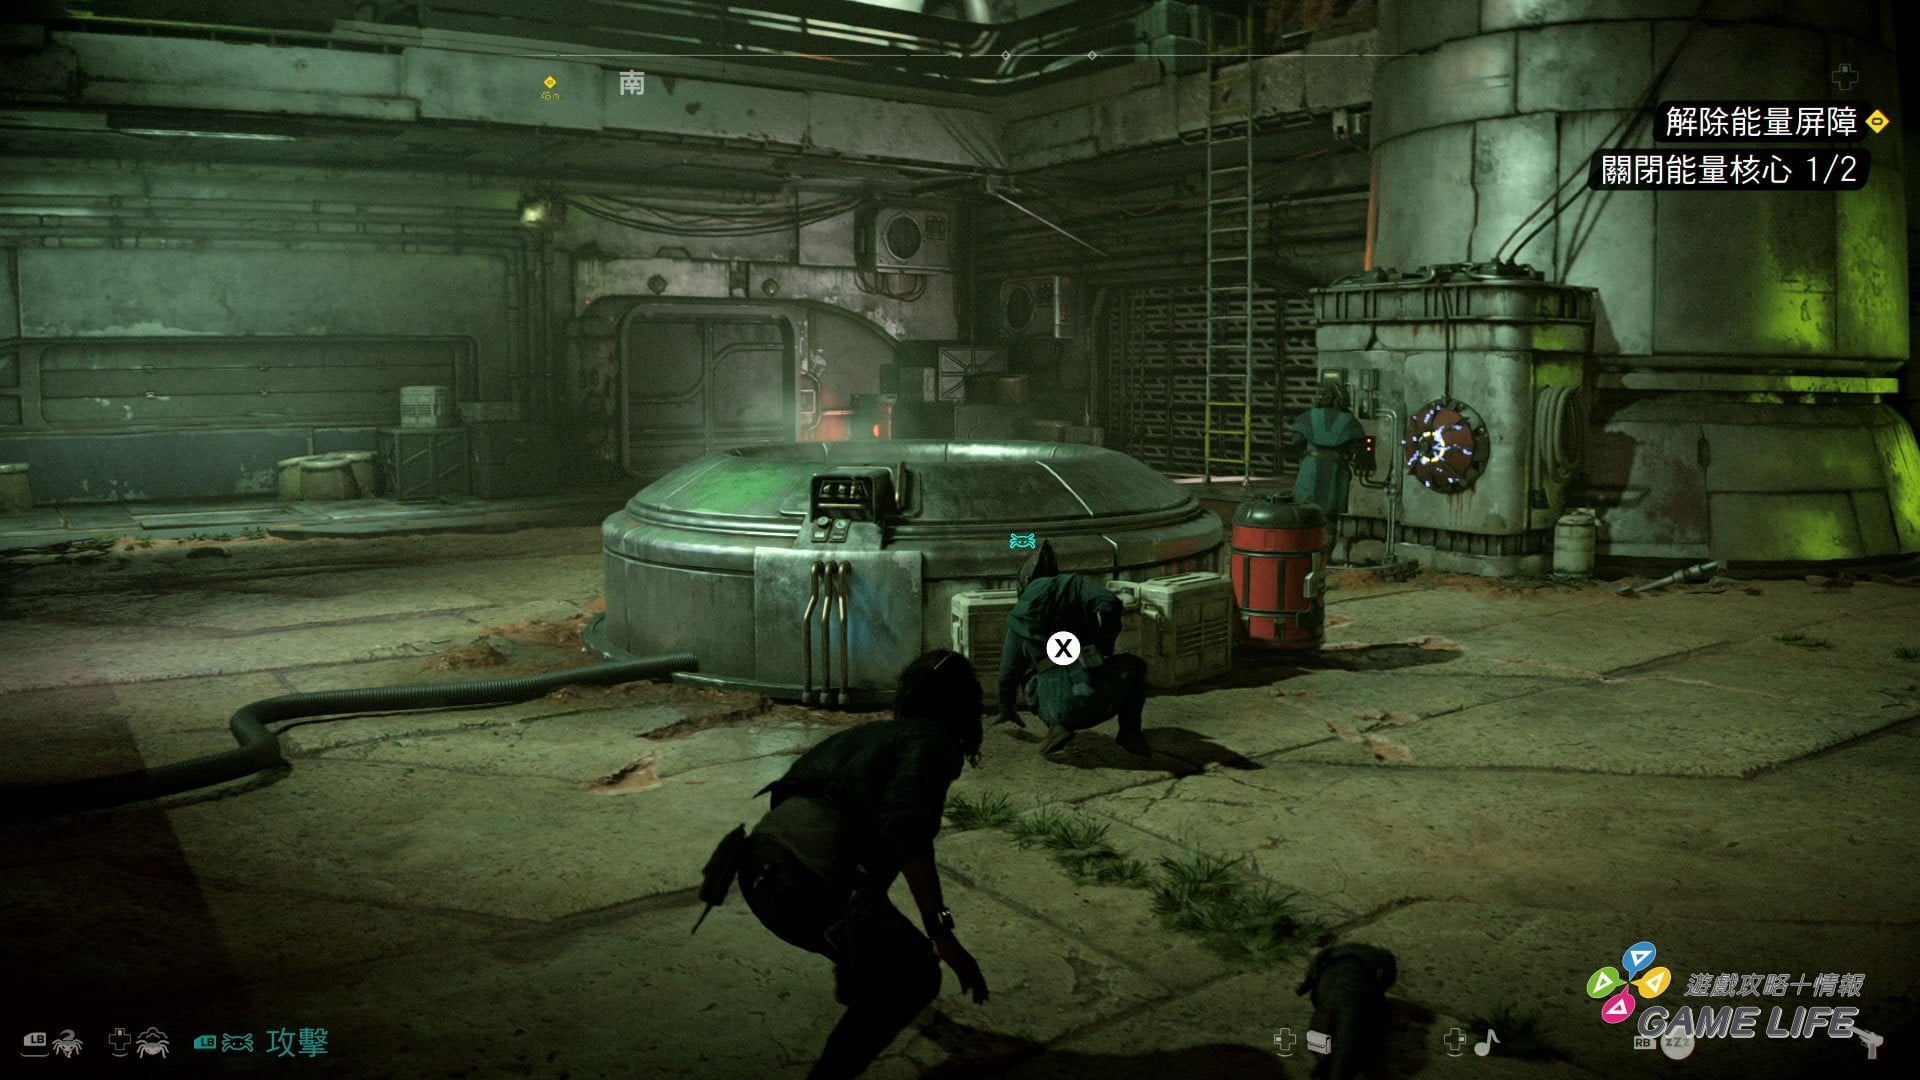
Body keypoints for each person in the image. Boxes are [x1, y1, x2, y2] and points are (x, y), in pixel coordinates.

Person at [736, 649, 991, 1080]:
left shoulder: (869, 736)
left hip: (756, 871)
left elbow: (789, 794)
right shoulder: (932, 743)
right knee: (916, 976)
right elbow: (908, 833)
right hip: (802, 889)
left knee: (875, 925)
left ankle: (856, 965)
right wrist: (943, 934)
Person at [995, 539, 1151, 758]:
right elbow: (1111, 603)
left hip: (1054, 702)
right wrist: (1105, 643)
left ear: (1025, 583)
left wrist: (1006, 708)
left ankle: (1058, 724)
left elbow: (1007, 674)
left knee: (1029, 675)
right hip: (1099, 697)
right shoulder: (1074, 588)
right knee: (1135, 665)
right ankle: (1130, 733)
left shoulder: (1020, 618)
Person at [1286, 380, 1367, 544]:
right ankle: (1325, 555)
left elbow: (1296, 440)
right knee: (1329, 521)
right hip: (1335, 472)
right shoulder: (1349, 421)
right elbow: (1358, 447)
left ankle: (1305, 552)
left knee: (1304, 515)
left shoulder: (1309, 416)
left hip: (1311, 469)